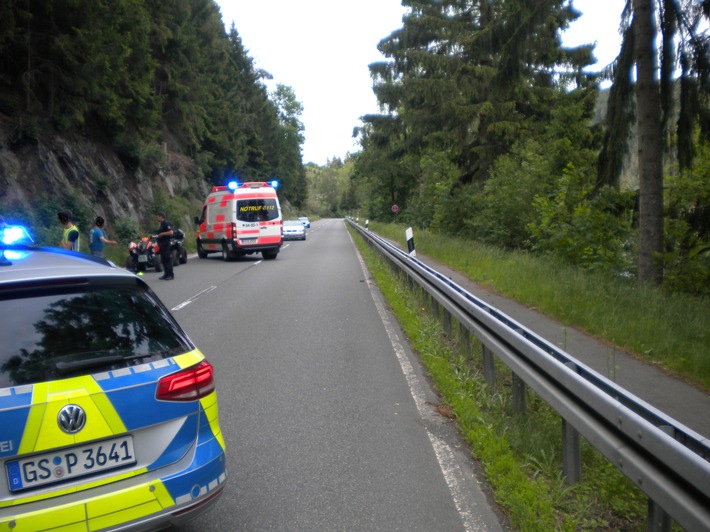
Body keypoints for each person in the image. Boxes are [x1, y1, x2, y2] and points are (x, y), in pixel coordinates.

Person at [155, 212, 174, 280]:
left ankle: (170, 274)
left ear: (161, 217)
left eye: (157, 217)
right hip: (162, 244)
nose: (157, 218)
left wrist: (162, 234)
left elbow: (171, 232)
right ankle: (166, 274)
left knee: (167, 259)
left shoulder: (166, 223)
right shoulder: (162, 224)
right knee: (163, 259)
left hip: (166, 243)